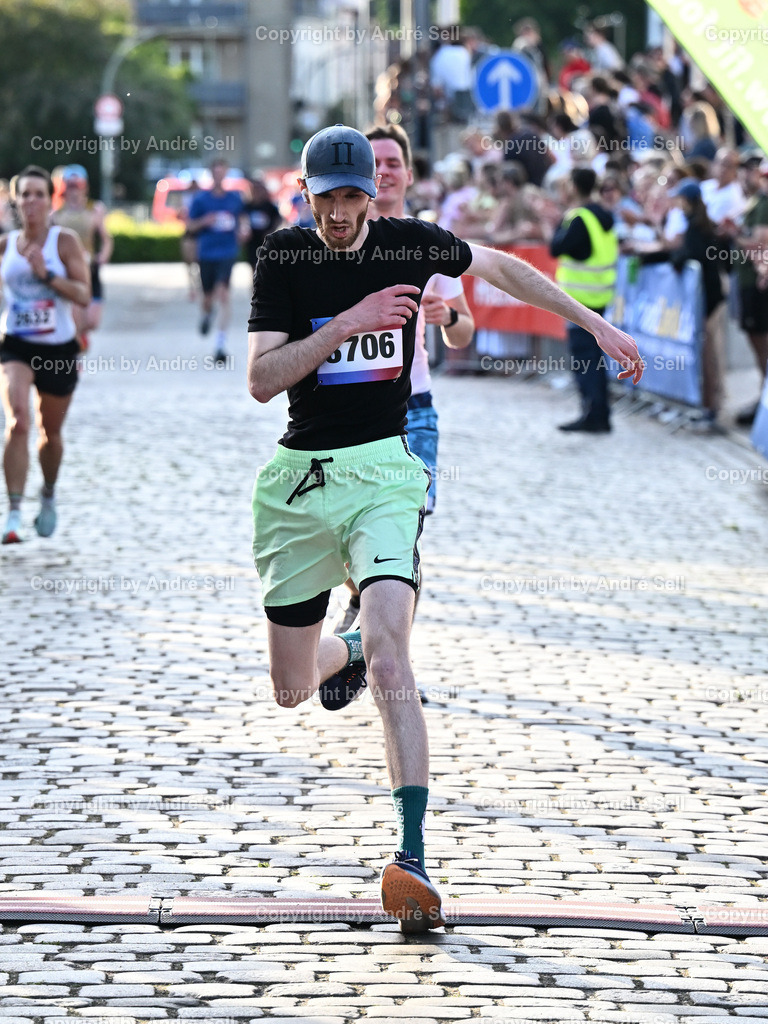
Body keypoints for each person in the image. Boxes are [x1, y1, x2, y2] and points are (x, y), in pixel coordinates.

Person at [247, 124, 642, 933]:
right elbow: (260, 379)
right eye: (331, 199)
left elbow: (500, 269)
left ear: (373, 193)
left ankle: (414, 854)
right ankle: (344, 647)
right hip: (299, 482)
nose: (345, 213)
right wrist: (348, 321)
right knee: (293, 688)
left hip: (388, 468)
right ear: (309, 194)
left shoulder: (408, 243)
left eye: (357, 197)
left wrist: (594, 322)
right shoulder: (285, 258)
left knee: (395, 645)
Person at [330, 125, 476, 634]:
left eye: (395, 162)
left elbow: (464, 333)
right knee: (347, 539)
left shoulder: (430, 244)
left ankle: (391, 666)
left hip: (413, 410)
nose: (386, 171)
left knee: (397, 546)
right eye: (377, 163)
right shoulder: (332, 238)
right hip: (343, 414)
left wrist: (446, 318)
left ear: (409, 174)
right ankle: (359, 613)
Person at [0, 166, 90, 544]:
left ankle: (48, 493)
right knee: (18, 420)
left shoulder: (63, 241)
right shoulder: (5, 245)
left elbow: (84, 294)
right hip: (15, 344)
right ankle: (14, 512)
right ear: (16, 202)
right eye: (25, 194)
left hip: (58, 349)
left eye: (39, 193)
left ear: (49, 200)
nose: (32, 201)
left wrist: (47, 276)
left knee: (49, 432)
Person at [551, 167, 619, 433]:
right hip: (600, 296)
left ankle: (593, 415)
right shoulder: (604, 215)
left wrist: (558, 220)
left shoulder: (578, 217)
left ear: (574, 187)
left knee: (585, 361)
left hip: (579, 300)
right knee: (595, 360)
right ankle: (599, 413)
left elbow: (557, 247)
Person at [187, 159, 249, 364]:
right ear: (211, 174)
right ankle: (206, 314)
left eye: (222, 172)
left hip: (227, 253)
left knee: (223, 294)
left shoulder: (234, 198)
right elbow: (190, 226)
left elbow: (242, 219)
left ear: (226, 174)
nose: (218, 176)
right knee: (208, 298)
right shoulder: (201, 200)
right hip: (207, 254)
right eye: (215, 172)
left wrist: (243, 230)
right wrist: (205, 221)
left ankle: (220, 345)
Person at [51, 164, 112, 351]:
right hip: (69, 272)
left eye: (78, 184)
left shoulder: (95, 210)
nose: (74, 189)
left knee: (93, 321)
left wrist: (103, 255)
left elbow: (106, 238)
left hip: (91, 269)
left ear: (84, 186)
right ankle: (75, 355)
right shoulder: (56, 214)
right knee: (75, 318)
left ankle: (82, 335)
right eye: (70, 185)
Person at [733, 159, 768, 426]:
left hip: (757, 283)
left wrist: (736, 235)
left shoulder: (764, 203)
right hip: (748, 280)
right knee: (755, 340)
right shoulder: (757, 200)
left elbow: (758, 244)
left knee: (761, 342)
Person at [243, 176, 282, 275]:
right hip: (252, 241)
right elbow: (242, 219)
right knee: (254, 268)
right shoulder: (248, 206)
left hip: (265, 241)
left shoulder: (269, 206)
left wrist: (271, 231)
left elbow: (278, 219)